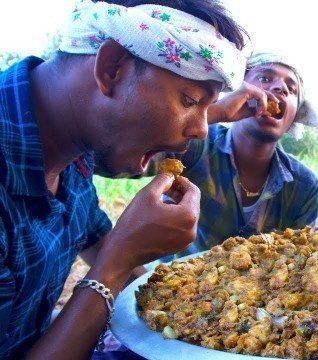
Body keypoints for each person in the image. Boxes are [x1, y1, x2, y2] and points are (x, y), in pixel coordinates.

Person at [0, 0, 248, 358]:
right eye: (191, 100)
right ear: (112, 67)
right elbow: (111, 256)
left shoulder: (74, 149)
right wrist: (116, 262)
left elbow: (96, 236)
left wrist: (196, 305)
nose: (201, 130)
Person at [134, 51, 318, 262]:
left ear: (295, 116)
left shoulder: (304, 186)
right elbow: (122, 154)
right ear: (239, 91)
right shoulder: (193, 144)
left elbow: (298, 262)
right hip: (175, 286)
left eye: (292, 89)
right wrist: (216, 112)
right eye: (264, 78)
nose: (280, 88)